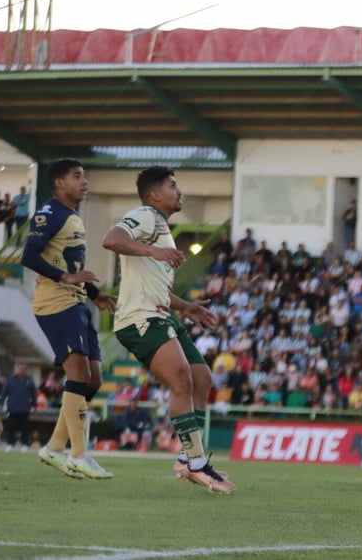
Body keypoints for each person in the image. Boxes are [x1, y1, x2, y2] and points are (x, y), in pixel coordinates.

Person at [102, 165, 234, 494]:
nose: (180, 191)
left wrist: (186, 307)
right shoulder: (145, 216)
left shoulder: (160, 226)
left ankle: (187, 457)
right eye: (173, 185)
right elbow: (111, 239)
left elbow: (154, 285)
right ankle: (197, 463)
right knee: (182, 380)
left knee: (202, 379)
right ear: (155, 194)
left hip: (162, 315)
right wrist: (153, 249)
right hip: (140, 319)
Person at [22, 159, 116, 479]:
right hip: (55, 302)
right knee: (77, 373)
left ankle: (54, 447)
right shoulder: (49, 214)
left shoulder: (73, 217)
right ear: (60, 183)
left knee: (94, 380)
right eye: (78, 176)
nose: (85, 182)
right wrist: (63, 277)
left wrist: (93, 293)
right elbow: (29, 255)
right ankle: (78, 454)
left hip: (77, 302)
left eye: (85, 176)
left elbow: (72, 265)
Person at [0, 363, 37, 452]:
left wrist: (34, 405)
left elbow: (34, 394)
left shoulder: (29, 380)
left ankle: (25, 444)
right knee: (11, 427)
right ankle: (9, 444)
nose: (21, 370)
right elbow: (4, 392)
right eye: (19, 369)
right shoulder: (10, 380)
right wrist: (1, 403)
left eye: (23, 369)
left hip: (25, 408)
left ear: (25, 370)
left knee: (25, 428)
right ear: (16, 370)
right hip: (12, 408)